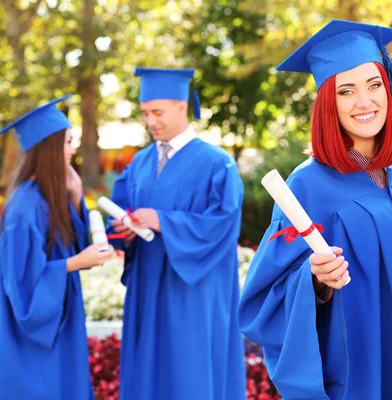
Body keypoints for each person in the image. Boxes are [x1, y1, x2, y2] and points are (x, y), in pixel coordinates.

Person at [237, 19, 392, 399]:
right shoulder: (306, 186)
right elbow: (262, 300)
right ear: (328, 103)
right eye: (346, 91)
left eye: (374, 85)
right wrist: (315, 281)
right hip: (359, 372)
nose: (365, 101)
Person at [106, 68, 246, 399]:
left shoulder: (217, 163)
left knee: (189, 371)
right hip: (146, 284)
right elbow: (120, 212)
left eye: (157, 112)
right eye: (145, 114)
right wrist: (123, 231)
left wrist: (163, 221)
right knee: (148, 370)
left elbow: (223, 222)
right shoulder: (139, 163)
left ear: (181, 106)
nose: (150, 121)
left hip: (194, 288)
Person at [0, 94, 113, 400]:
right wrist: (75, 263)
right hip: (33, 343)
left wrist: (73, 195)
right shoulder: (25, 208)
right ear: (48, 148)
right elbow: (24, 290)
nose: (72, 150)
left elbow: (71, 243)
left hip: (59, 327)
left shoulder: (47, 197)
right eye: (68, 142)